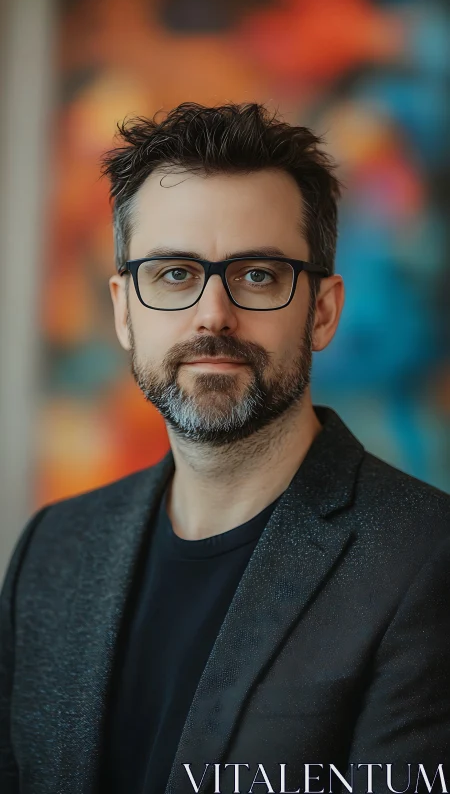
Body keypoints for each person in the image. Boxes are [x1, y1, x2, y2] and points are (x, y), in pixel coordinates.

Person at [1, 103, 449, 794]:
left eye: (259, 275)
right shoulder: (53, 550)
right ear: (124, 309)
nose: (213, 314)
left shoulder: (426, 559)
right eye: (174, 273)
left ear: (323, 312)